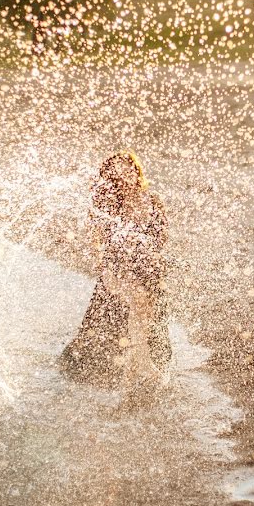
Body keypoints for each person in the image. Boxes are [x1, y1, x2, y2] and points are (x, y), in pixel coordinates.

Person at [59, 152, 171, 393]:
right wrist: (107, 265)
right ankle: (139, 366)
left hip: (148, 267)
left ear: (136, 170)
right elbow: (96, 239)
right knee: (135, 305)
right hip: (117, 267)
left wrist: (147, 253)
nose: (124, 176)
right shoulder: (109, 205)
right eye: (117, 173)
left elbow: (162, 236)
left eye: (128, 170)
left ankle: (138, 369)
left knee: (147, 311)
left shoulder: (153, 199)